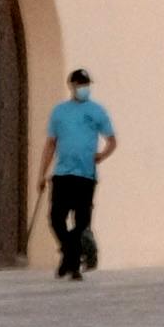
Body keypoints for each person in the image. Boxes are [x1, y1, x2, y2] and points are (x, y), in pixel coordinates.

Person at [43, 66, 117, 280]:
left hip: (85, 175)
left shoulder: (97, 111)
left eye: (86, 84)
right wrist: (42, 173)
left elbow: (112, 140)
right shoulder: (59, 112)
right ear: (72, 86)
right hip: (63, 173)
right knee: (56, 218)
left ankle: (71, 263)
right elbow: (51, 143)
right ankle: (71, 255)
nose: (84, 88)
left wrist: (101, 155)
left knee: (81, 222)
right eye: (80, 84)